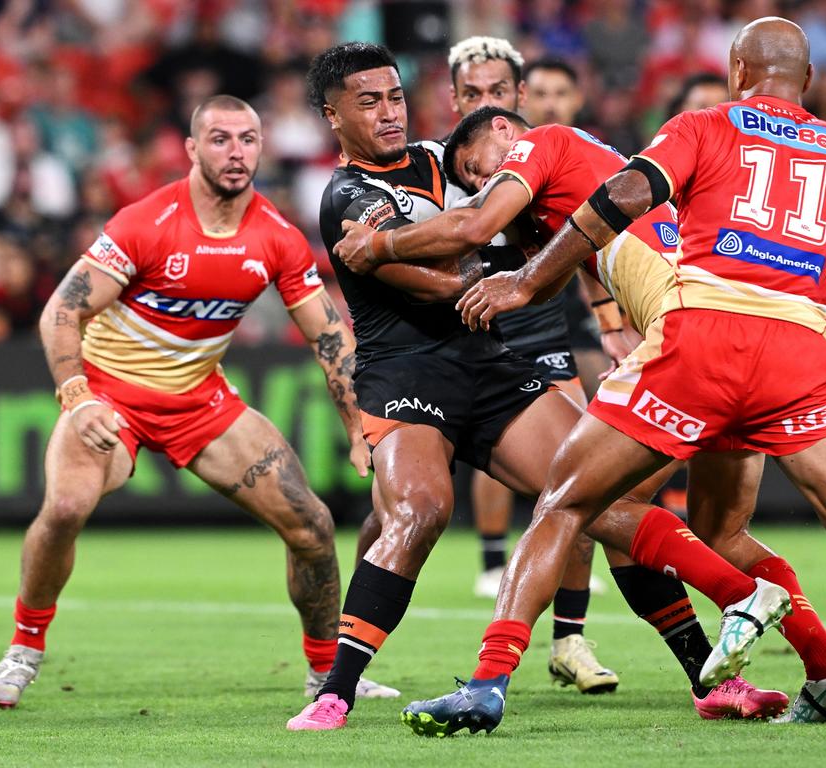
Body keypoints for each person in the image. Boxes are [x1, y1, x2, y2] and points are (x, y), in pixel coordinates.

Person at [403, 16, 826, 733]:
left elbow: (620, 197)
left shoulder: (705, 126)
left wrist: (525, 283)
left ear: (737, 72)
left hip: (697, 344)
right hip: (798, 362)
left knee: (567, 503)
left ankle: (487, 684)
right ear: (809, 84)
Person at [287, 42, 790, 733]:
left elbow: (553, 226)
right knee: (422, 510)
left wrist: (551, 271)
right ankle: (334, 693)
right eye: (368, 102)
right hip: (407, 371)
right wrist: (498, 265)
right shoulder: (347, 195)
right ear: (333, 115)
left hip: (489, 365)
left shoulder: (446, 159)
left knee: (598, 497)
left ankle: (716, 666)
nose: (389, 112)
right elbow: (430, 282)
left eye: (395, 96)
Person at [0, 95, 398, 708]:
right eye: (221, 139)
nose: (237, 152)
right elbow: (61, 311)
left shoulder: (275, 236)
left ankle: (327, 675)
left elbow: (330, 335)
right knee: (65, 507)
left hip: (201, 402)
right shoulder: (145, 223)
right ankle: (23, 649)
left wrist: (360, 428)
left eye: (248, 139)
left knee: (312, 526)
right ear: (192, 149)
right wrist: (77, 397)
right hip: (111, 399)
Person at [442, 36, 623, 693]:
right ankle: (345, 662)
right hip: (464, 338)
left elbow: (580, 239)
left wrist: (607, 320)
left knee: (579, 476)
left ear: (514, 101)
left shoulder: (545, 154)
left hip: (539, 326)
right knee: (399, 507)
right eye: (471, 92)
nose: (484, 100)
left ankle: (570, 638)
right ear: (455, 98)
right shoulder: (443, 165)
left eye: (496, 91)